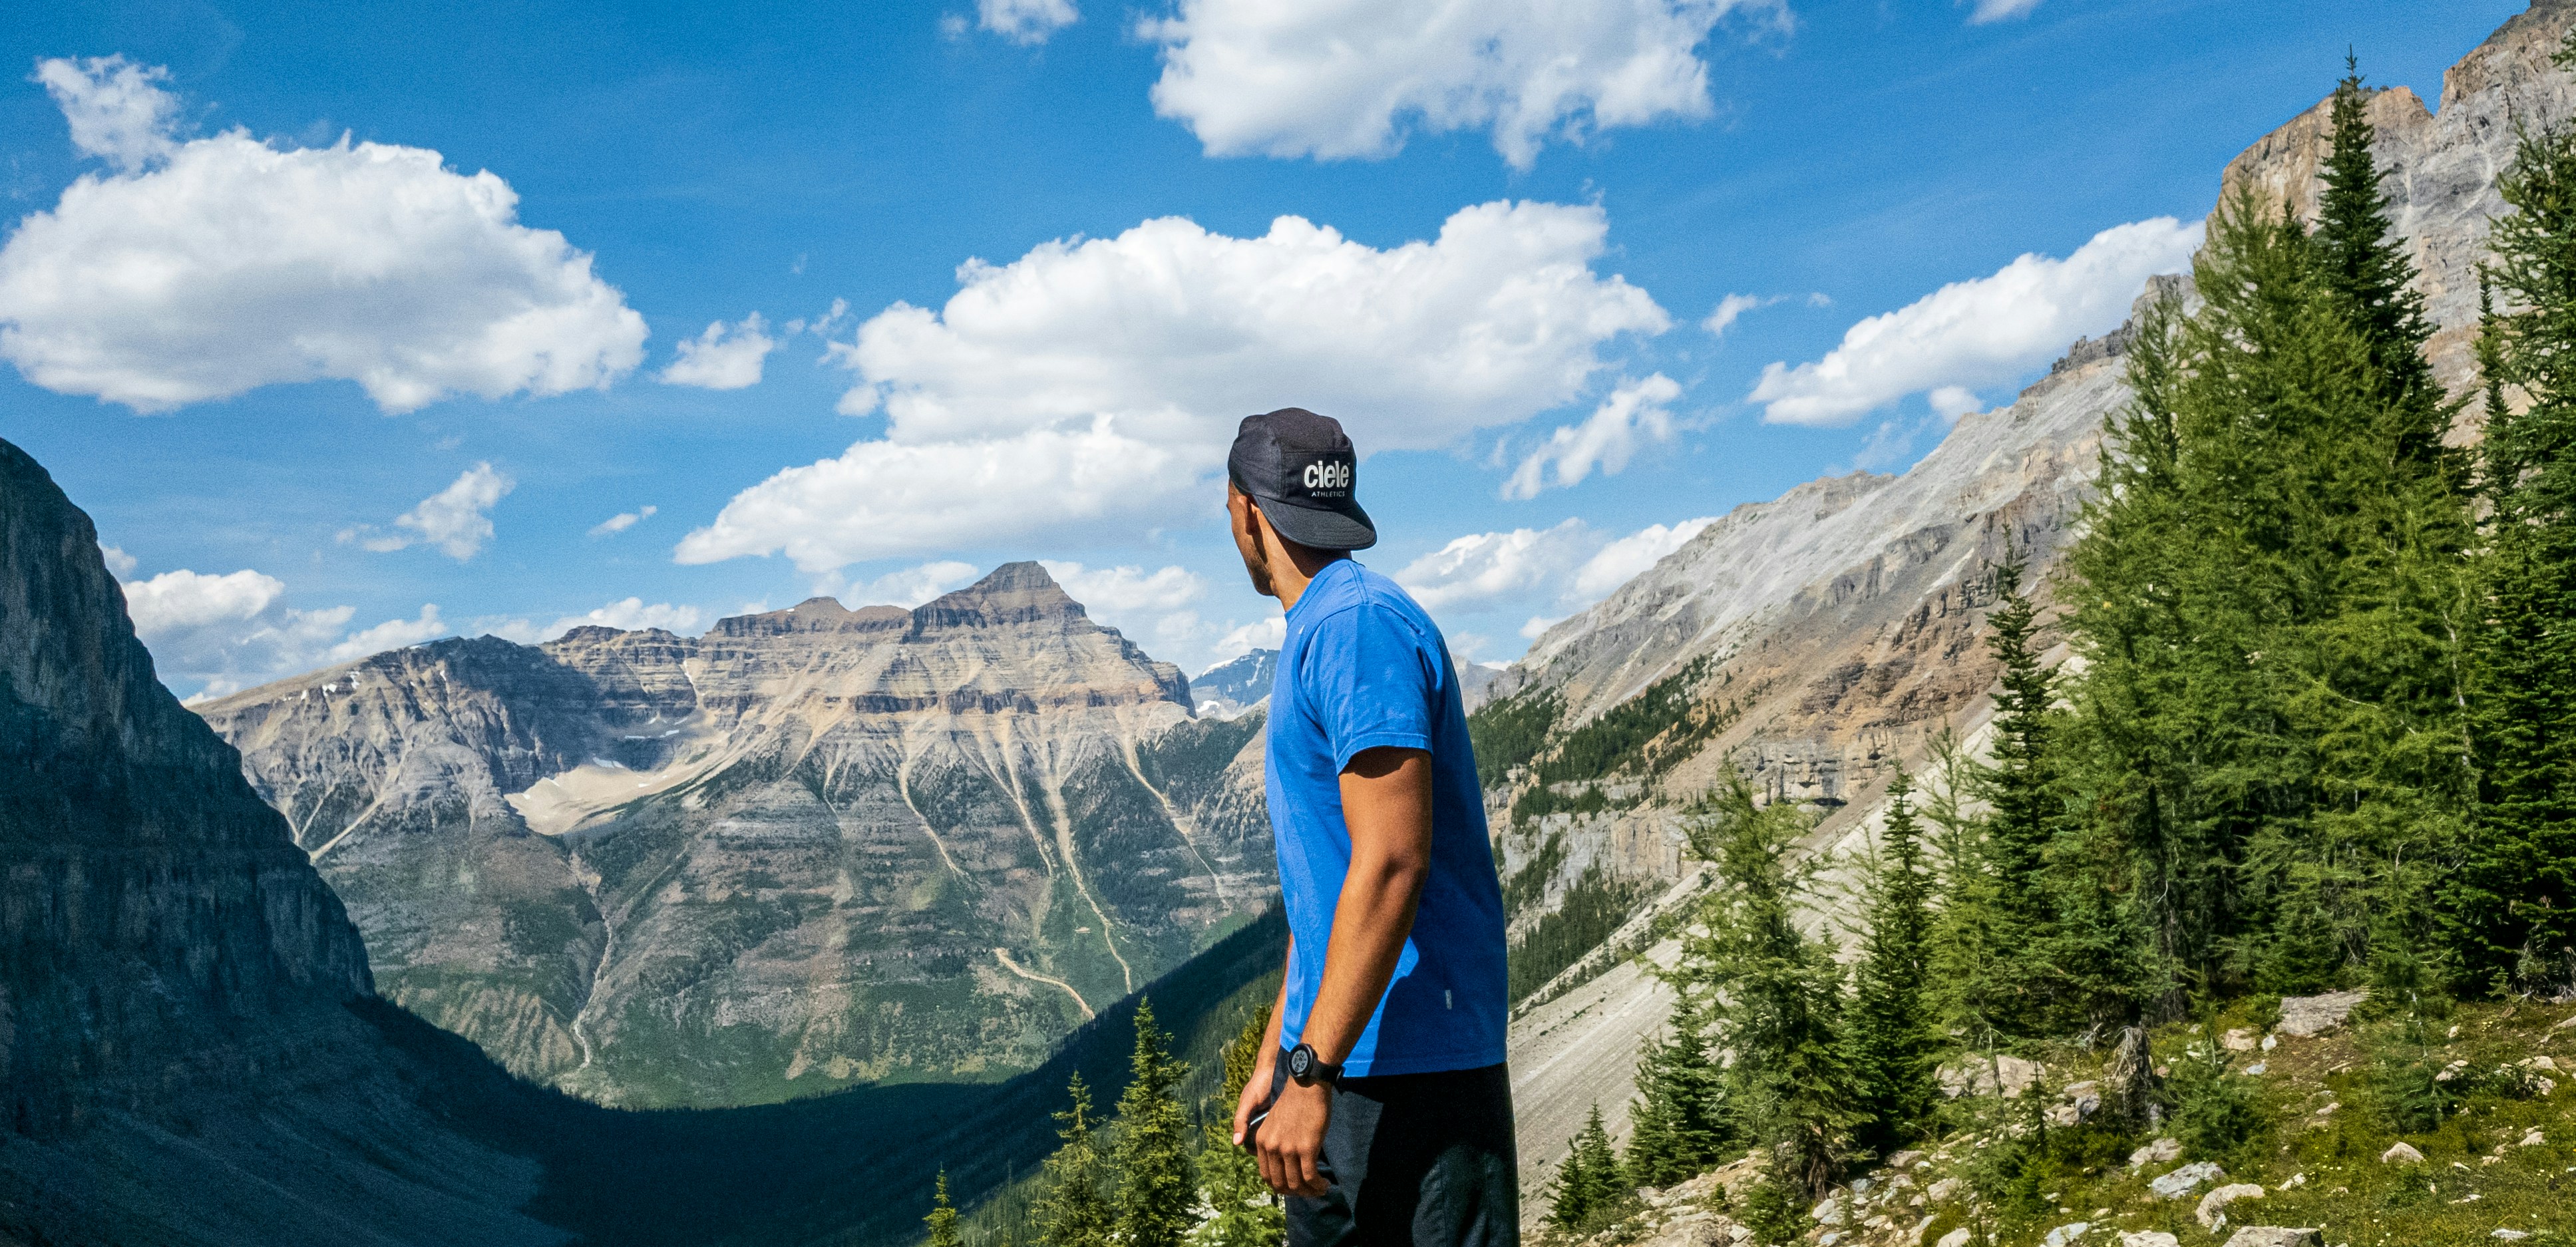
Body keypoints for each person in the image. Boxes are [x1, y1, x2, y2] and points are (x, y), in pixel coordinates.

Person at [1222, 407, 1517, 1247]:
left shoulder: (1357, 626)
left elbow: (1391, 861)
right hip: (1343, 1054)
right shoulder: (1324, 626)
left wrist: (1310, 1071)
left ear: (1245, 510)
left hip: (1412, 1071)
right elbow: (1326, 879)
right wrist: (1281, 1054)